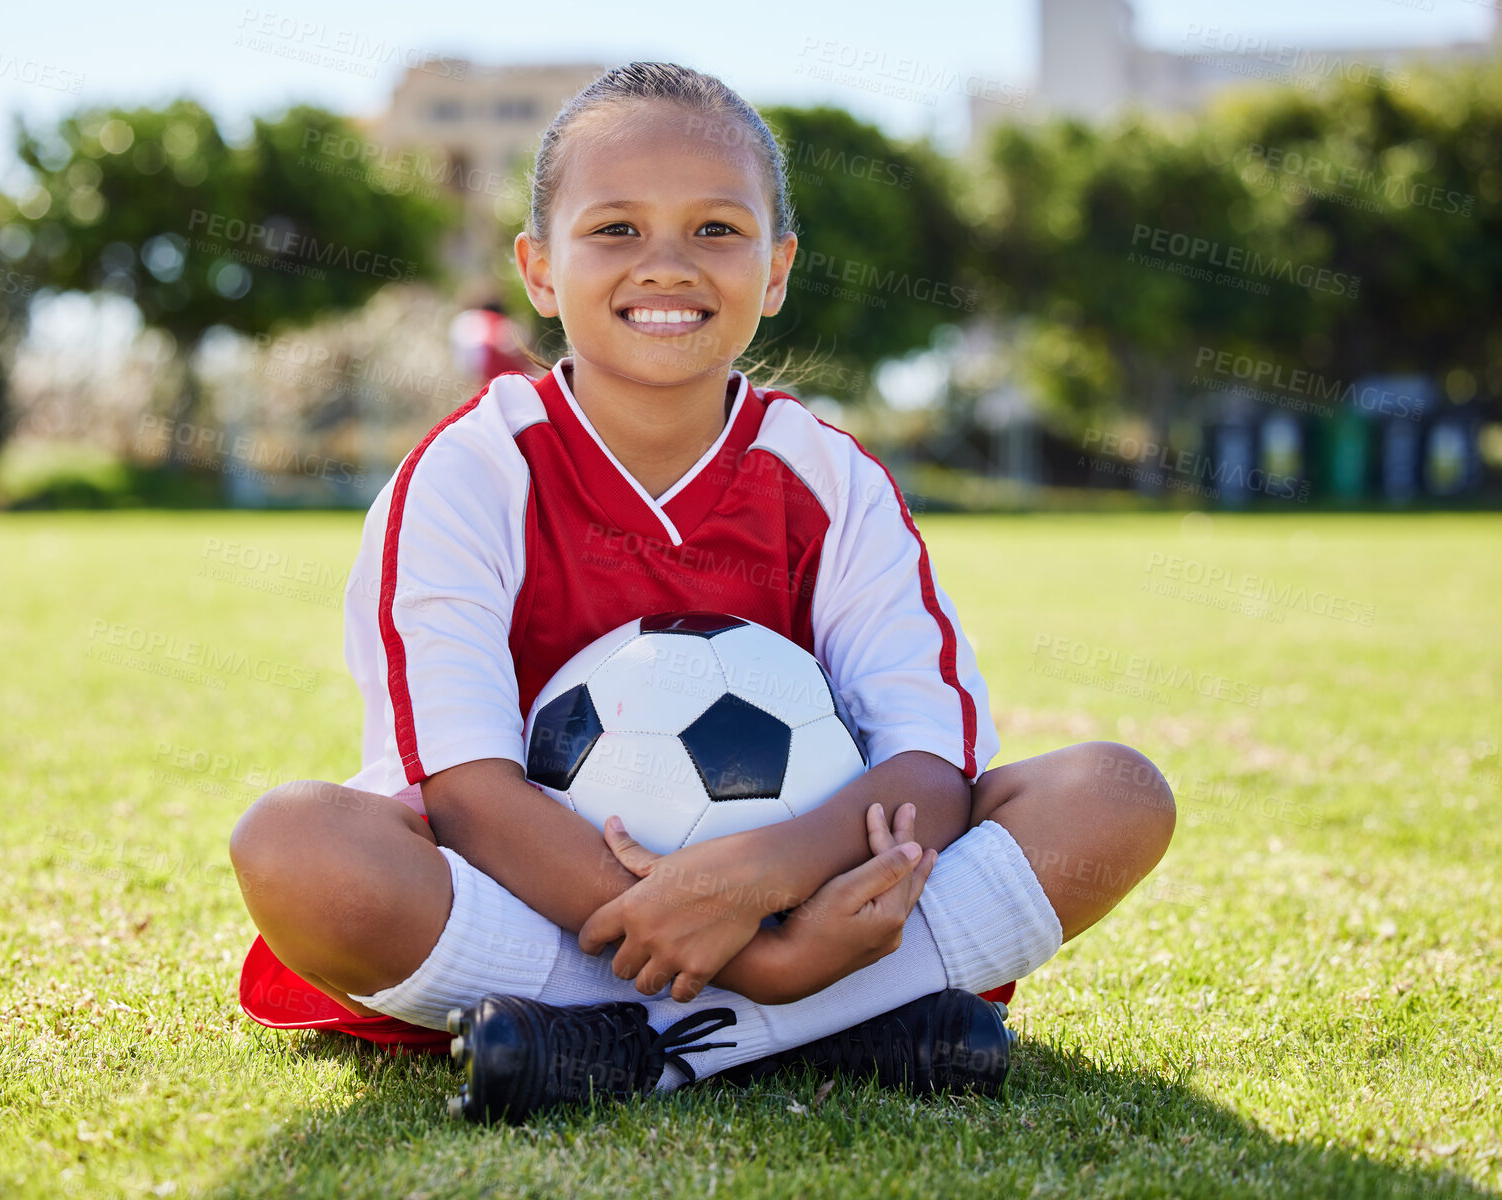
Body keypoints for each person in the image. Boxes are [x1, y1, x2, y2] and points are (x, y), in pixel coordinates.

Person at [228, 61, 1175, 1123]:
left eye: (717, 230)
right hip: (537, 907)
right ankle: (824, 1026)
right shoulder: (469, 471)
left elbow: (927, 762)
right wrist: (768, 968)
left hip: (805, 899)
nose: (666, 265)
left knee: (1113, 797)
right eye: (616, 229)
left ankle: (612, 1049)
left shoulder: (831, 479)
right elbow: (464, 789)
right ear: (539, 269)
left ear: (776, 270)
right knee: (297, 848)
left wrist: (759, 883)